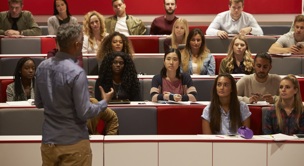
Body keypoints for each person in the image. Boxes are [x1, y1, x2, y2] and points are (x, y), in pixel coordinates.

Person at [35, 24, 114, 165]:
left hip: (48, 143)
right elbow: (84, 112)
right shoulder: (76, 72)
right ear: (77, 44)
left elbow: (39, 103)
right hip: (73, 143)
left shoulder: (42, 67)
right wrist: (103, 102)